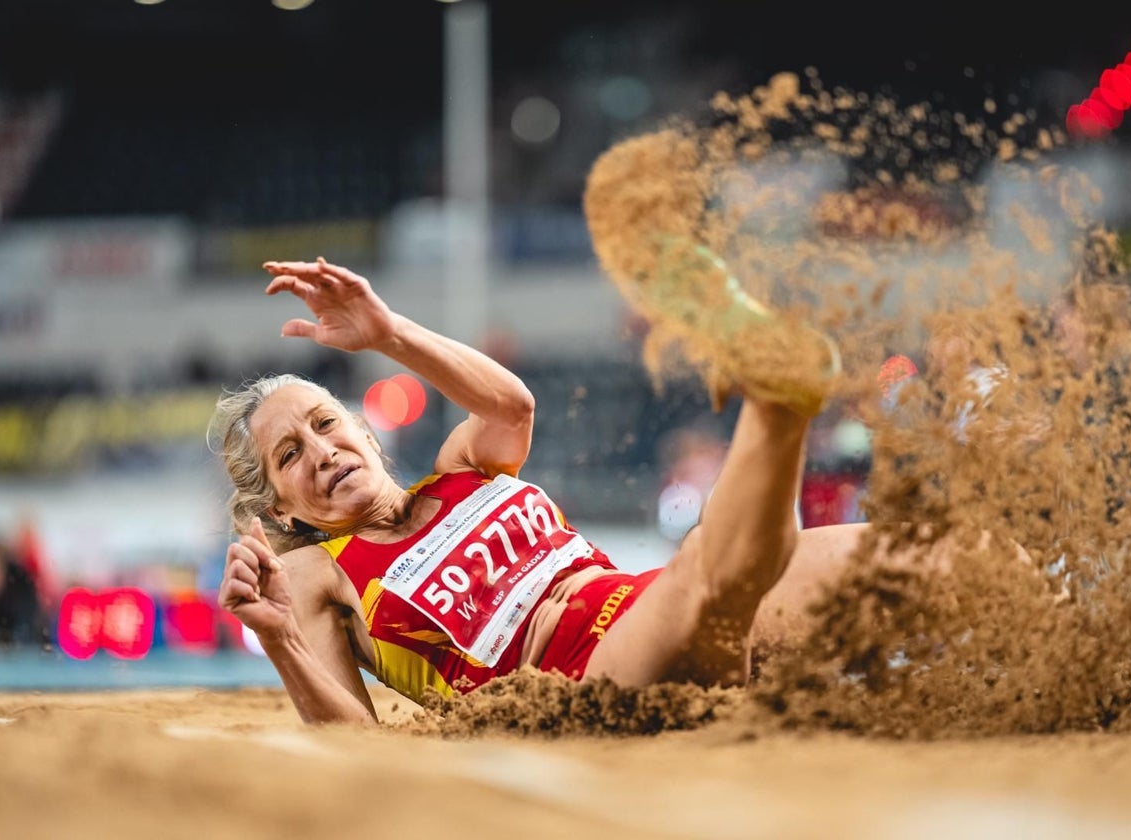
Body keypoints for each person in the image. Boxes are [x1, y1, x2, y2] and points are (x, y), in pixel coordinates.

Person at [209, 257, 995, 725]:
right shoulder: (318, 573)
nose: (320, 451)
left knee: (927, 554)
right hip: (581, 687)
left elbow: (512, 406)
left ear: (365, 432)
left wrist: (388, 335)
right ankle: (778, 399)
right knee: (704, 570)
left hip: (641, 602)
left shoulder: (459, 470)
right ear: (280, 506)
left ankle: (1080, 665)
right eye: (289, 455)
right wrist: (277, 639)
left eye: (324, 423)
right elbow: (355, 744)